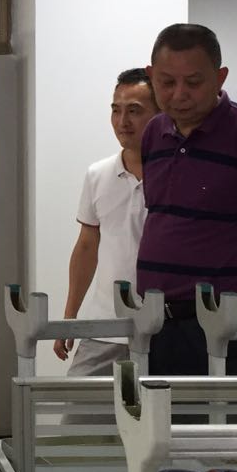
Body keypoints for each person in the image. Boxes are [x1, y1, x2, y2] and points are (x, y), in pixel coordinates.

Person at [137, 23, 237, 376]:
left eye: (193, 82)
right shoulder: (154, 133)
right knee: (158, 413)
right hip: (157, 324)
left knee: (232, 413)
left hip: (227, 324)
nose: (179, 94)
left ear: (220, 77)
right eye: (167, 82)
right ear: (151, 76)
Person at [53, 68, 159, 375]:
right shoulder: (98, 175)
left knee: (162, 405)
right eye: (116, 110)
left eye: (134, 111)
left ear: (160, 114)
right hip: (105, 327)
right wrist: (70, 317)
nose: (122, 121)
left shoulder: (177, 174)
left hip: (163, 329)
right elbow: (87, 247)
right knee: (74, 406)